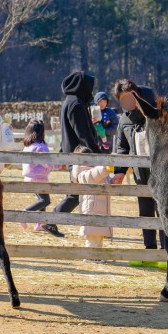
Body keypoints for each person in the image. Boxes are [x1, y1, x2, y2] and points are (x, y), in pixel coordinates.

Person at [111, 79, 168, 255]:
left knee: (163, 210)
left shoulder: (155, 114)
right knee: (145, 210)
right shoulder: (124, 121)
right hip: (140, 175)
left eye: (131, 97)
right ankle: (149, 248)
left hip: (162, 173)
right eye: (124, 99)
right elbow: (122, 148)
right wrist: (119, 172)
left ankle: (166, 248)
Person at [51, 71, 102, 232]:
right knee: (77, 193)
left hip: (76, 154)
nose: (91, 91)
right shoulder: (76, 104)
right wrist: (99, 156)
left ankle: (51, 220)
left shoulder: (71, 101)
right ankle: (51, 219)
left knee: (75, 193)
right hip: (81, 155)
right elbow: (83, 134)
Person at [22, 119, 63, 237]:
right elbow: (49, 163)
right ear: (42, 132)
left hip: (31, 177)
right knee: (45, 200)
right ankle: (24, 214)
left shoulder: (28, 146)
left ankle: (40, 224)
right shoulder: (40, 147)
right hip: (38, 178)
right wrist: (60, 165)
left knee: (43, 201)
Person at [71, 145, 112, 255]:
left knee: (98, 236)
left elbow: (104, 179)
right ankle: (90, 256)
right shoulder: (82, 174)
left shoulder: (95, 171)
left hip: (100, 208)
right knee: (93, 236)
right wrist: (105, 168)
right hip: (92, 209)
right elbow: (93, 175)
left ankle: (97, 255)